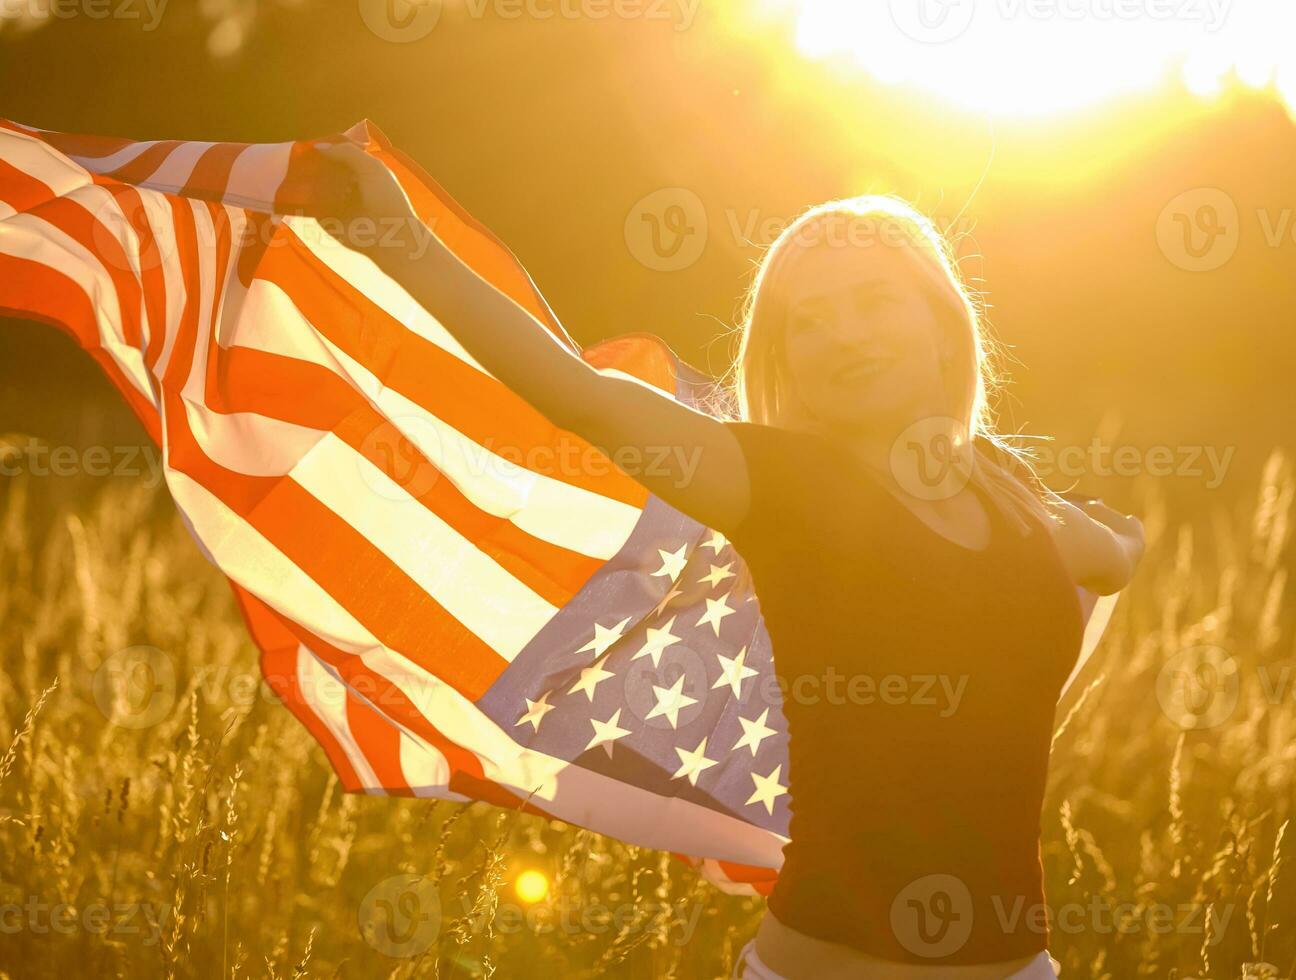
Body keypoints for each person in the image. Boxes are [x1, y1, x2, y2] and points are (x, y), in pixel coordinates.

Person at [313, 142, 1145, 979]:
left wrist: (1122, 545)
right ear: (787, 361)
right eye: (808, 323)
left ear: (941, 324)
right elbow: (579, 396)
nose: (844, 335)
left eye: (872, 303)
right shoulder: (775, 484)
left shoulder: (1006, 484)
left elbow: (1098, 553)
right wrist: (399, 239)